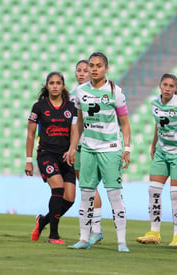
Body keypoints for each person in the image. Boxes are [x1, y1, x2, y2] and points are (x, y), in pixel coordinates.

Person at [66, 52, 131, 252]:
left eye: (98, 65)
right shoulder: (80, 91)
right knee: (85, 195)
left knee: (115, 196)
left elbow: (125, 124)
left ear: (106, 69)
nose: (94, 69)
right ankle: (84, 239)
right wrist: (73, 147)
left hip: (110, 149)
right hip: (88, 150)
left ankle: (121, 242)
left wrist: (127, 149)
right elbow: (79, 123)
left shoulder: (115, 91)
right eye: (92, 65)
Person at [136, 73, 177, 247]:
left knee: (175, 194)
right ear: (160, 86)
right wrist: (154, 145)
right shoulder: (154, 103)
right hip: (162, 152)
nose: (168, 88)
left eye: (172, 86)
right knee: (153, 191)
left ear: (176, 88)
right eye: (165, 85)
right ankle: (154, 231)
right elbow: (158, 124)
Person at [26, 72, 77, 244]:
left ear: (63, 86)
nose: (55, 86)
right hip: (47, 154)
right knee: (58, 189)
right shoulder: (39, 107)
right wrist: (28, 160)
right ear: (47, 86)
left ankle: (42, 221)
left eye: (58, 83)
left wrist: (72, 150)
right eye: (51, 83)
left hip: (66, 156)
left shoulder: (71, 108)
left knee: (69, 199)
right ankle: (53, 235)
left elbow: (75, 132)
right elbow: (31, 134)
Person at [69, 60, 104, 245]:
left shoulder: (95, 93)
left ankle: (96, 229)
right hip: (78, 146)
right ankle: (93, 228)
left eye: (85, 70)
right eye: (79, 70)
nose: (82, 73)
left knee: (89, 186)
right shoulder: (74, 94)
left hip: (92, 145)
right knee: (85, 186)